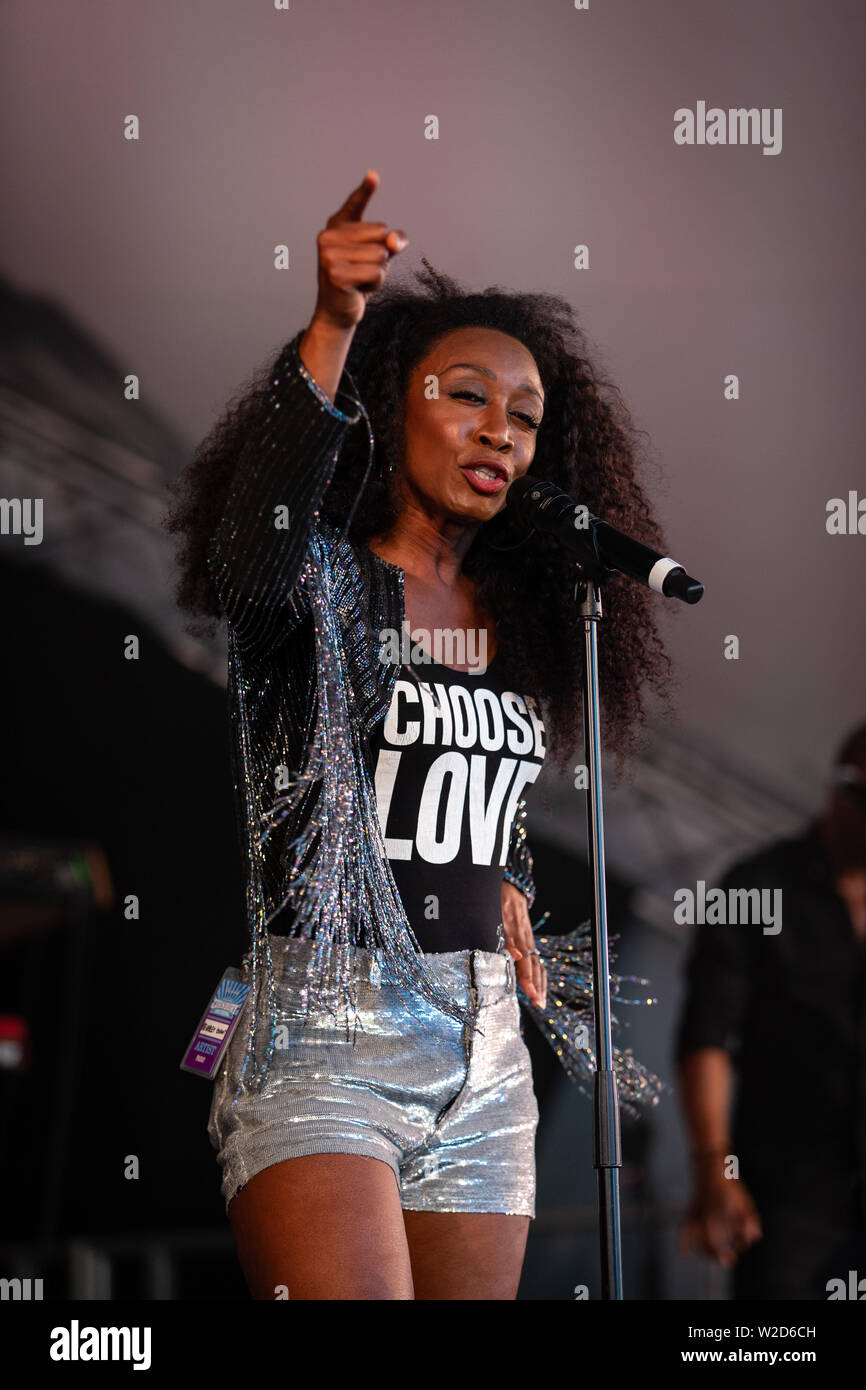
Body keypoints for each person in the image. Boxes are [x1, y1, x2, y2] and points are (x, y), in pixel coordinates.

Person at [165, 169, 670, 1299]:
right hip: (325, 1022)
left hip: (483, 1040)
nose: (500, 430)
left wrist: (500, 883)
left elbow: (463, 796)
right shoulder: (327, 588)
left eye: (526, 419)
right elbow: (249, 553)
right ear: (394, 403)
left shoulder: (528, 626)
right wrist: (333, 326)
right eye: (466, 396)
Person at [675, 723, 866, 1299]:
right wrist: (714, 1168)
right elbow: (705, 1036)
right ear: (846, 794)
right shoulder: (757, 886)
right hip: (787, 1196)